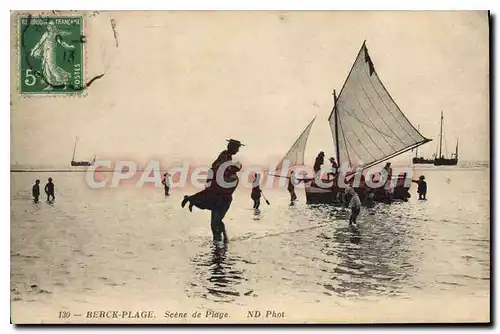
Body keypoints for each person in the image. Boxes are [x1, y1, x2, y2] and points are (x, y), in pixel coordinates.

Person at [182, 139, 244, 242]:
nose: (237, 151)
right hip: (217, 197)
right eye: (237, 148)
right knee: (215, 223)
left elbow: (215, 187)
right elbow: (211, 185)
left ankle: (221, 243)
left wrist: (194, 198)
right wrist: (194, 198)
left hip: (222, 199)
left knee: (215, 222)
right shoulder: (224, 160)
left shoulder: (231, 175)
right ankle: (221, 243)